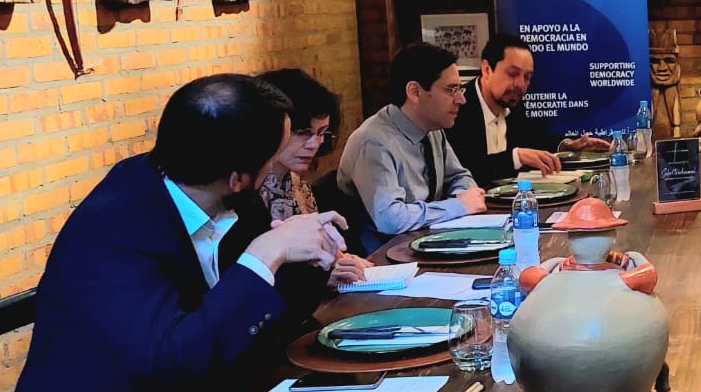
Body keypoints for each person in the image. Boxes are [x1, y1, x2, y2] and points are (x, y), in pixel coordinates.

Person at [0, 75, 350, 392]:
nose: (278, 169)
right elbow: (174, 359)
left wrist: (310, 259)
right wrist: (265, 255)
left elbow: (257, 326)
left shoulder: (230, 198)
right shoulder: (114, 225)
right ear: (239, 175)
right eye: (272, 158)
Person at [339, 42, 487, 252]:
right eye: (451, 89)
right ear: (415, 91)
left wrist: (462, 198)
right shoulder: (374, 143)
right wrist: (458, 206)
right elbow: (390, 219)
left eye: (460, 88)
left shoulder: (433, 128)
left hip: (428, 242)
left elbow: (459, 176)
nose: (461, 99)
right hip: (385, 258)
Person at [444, 33, 610, 185]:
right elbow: (465, 170)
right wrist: (516, 157)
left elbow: (535, 141)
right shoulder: (458, 108)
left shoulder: (514, 104)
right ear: (487, 69)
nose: (521, 85)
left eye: (527, 77)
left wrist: (567, 146)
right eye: (512, 74)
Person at [256, 68, 368, 286]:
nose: (313, 144)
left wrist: (341, 261)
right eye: (303, 132)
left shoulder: (299, 186)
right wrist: (321, 279)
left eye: (320, 133)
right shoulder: (246, 190)